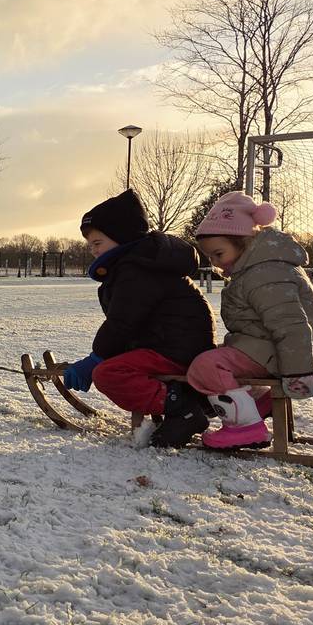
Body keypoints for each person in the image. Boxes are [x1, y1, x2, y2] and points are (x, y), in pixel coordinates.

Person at [64, 189, 217, 447]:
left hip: (175, 348)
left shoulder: (137, 270)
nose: (92, 250)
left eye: (97, 243)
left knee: (108, 374)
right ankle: (180, 403)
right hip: (170, 345)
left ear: (122, 238)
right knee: (111, 367)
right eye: (90, 245)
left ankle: (183, 408)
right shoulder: (137, 266)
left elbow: (122, 322)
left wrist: (96, 358)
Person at [187, 191, 313, 449]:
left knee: (206, 366)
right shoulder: (257, 269)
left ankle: (245, 427)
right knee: (213, 357)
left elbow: (291, 324)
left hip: (277, 354)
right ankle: (258, 402)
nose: (215, 263)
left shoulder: (266, 274)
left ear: (244, 242)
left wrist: (298, 372)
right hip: (264, 349)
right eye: (210, 257)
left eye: (218, 254)